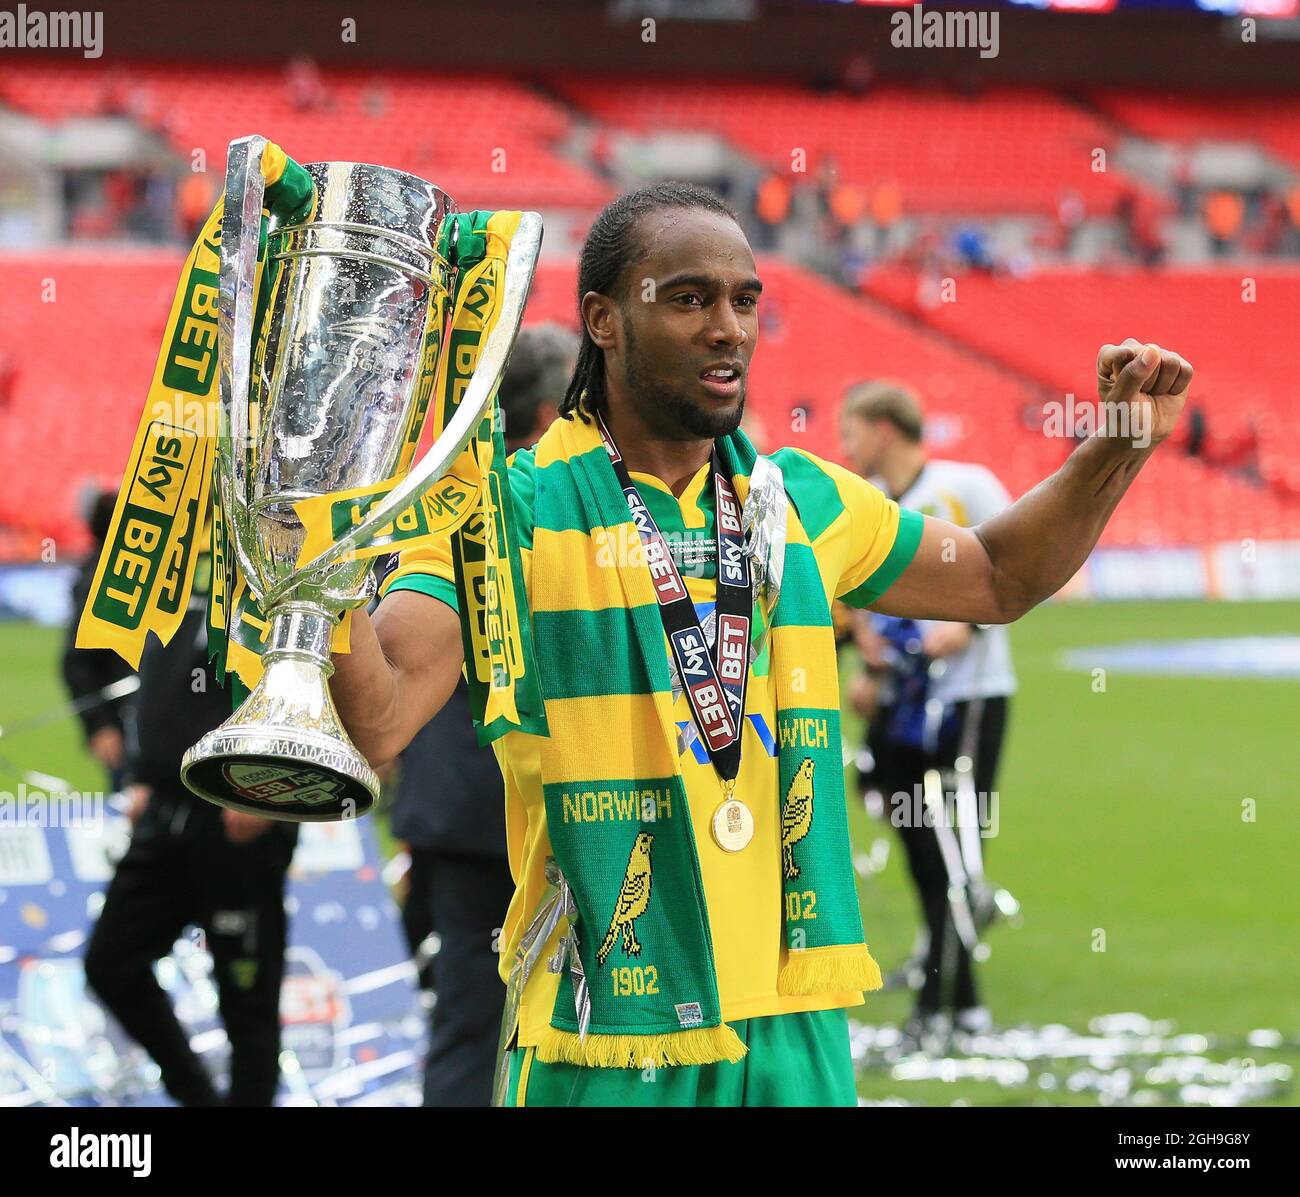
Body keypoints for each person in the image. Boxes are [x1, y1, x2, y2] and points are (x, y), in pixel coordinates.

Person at [328, 182, 1192, 1107]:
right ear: (603, 320)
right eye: (691, 298)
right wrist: (318, 572)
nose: (728, 328)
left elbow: (998, 576)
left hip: (795, 1024)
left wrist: (1118, 443)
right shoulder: (508, 513)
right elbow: (378, 721)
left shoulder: (802, 502)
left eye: (745, 300)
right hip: (606, 1041)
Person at [389, 323, 576, 1107]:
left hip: (442, 802)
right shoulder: (530, 504)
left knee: (469, 1005)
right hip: (494, 813)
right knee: (483, 1015)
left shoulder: (451, 495)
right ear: (547, 410)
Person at [83, 536, 297, 1107]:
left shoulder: (278, 540)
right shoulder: (175, 542)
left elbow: (310, 673)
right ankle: (198, 1099)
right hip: (165, 812)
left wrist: (265, 787)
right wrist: (142, 772)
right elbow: (156, 679)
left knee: (246, 995)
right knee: (111, 962)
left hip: (240, 816)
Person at [839, 381, 1016, 1037]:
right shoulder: (872, 506)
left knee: (952, 858)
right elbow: (870, 610)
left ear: (884, 428)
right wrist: (868, 670)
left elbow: (1019, 568)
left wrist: (971, 627)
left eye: (851, 430)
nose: (845, 445)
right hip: (901, 710)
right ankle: (959, 1001)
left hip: (966, 700)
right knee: (924, 855)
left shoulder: (965, 485)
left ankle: (945, 1004)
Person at [62, 490, 135, 791]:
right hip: (128, 722)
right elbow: (78, 662)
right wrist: (101, 725)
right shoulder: (103, 582)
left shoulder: (98, 573)